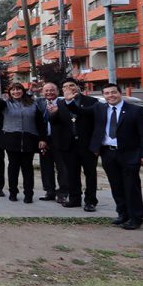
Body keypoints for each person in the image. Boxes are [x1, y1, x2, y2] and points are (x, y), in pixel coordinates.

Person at [78, 83, 143, 230]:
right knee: (116, 186)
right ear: (103, 96)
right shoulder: (100, 108)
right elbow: (82, 112)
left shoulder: (135, 110)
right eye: (107, 93)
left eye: (113, 92)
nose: (110, 96)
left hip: (129, 154)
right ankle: (122, 214)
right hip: (108, 153)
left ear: (120, 93)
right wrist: (69, 100)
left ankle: (136, 218)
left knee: (131, 187)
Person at [0, 82, 47, 203]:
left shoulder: (32, 104)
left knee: (27, 168)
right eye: (13, 90)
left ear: (23, 91)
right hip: (11, 139)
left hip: (29, 139)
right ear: (10, 92)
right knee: (13, 167)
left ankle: (28, 194)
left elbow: (40, 123)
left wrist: (42, 138)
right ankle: (13, 192)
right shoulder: (6, 104)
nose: (16, 92)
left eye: (18, 89)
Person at [60, 78, 99, 211]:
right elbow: (56, 122)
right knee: (72, 173)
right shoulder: (60, 103)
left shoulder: (91, 102)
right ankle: (75, 199)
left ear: (78, 87)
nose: (69, 88)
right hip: (69, 145)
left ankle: (90, 201)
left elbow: (95, 124)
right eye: (65, 86)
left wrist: (96, 145)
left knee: (90, 174)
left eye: (72, 85)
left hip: (87, 145)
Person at [36, 83, 69, 203]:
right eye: (46, 91)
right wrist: (42, 139)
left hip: (60, 140)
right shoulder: (40, 103)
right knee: (46, 167)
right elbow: (39, 123)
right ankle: (49, 191)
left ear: (57, 91)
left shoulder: (63, 103)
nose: (49, 92)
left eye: (52, 90)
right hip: (45, 140)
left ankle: (63, 192)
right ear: (42, 92)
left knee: (62, 168)